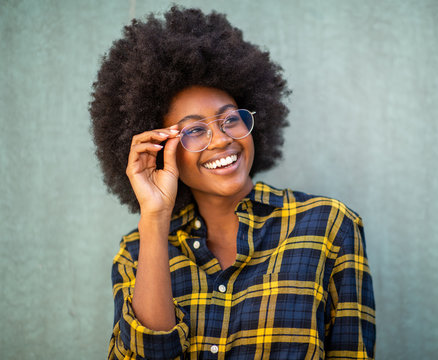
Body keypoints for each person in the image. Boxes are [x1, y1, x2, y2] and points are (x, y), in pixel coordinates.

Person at [90, 6, 375, 360]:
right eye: (195, 130)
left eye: (230, 119)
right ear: (161, 149)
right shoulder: (135, 254)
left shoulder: (328, 226)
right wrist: (154, 217)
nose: (223, 139)